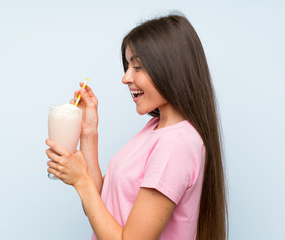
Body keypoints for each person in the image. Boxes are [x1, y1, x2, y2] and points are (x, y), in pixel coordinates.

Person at [45, 13, 228, 240]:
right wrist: (89, 132)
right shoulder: (156, 128)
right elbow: (105, 209)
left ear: (171, 68)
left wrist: (81, 181)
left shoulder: (176, 144)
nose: (126, 77)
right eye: (128, 65)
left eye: (138, 66)